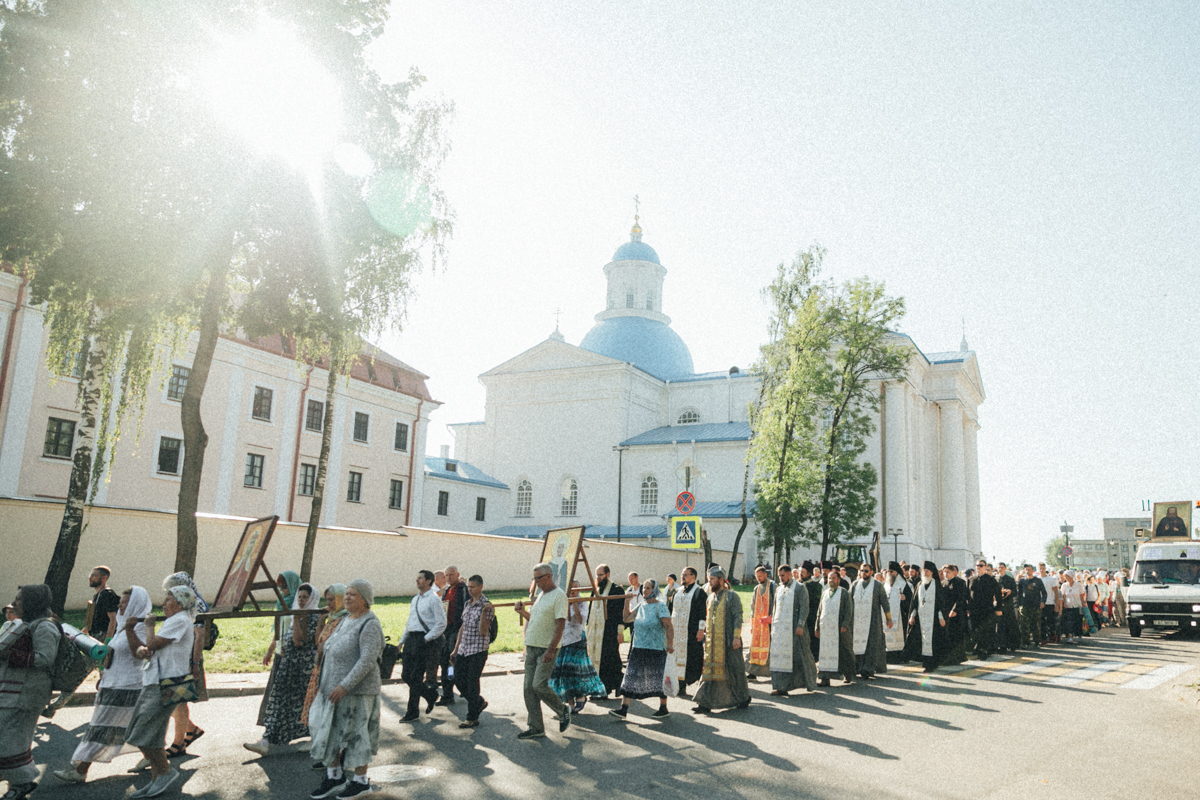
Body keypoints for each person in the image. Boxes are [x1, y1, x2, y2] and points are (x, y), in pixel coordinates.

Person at [54, 587, 151, 784]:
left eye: (125, 603)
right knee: (129, 727)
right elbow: (114, 654)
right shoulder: (123, 626)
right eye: (120, 602)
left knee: (101, 727)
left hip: (127, 686)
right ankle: (153, 756)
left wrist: (131, 630)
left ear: (135, 604)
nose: (120, 606)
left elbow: (138, 653)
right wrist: (105, 674)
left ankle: (80, 770)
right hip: (113, 683)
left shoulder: (140, 626)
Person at [307, 580, 383, 800]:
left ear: (366, 599)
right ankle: (335, 776)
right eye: (347, 594)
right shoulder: (346, 619)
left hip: (358, 691)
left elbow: (367, 660)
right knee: (327, 730)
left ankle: (360, 782)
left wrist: (345, 685)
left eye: (354, 595)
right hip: (331, 688)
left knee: (358, 736)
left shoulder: (370, 623)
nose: (348, 597)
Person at [125, 583, 198, 798]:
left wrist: (149, 625)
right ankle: (158, 779)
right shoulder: (173, 621)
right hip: (154, 681)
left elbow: (153, 643)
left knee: (141, 734)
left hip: (165, 684)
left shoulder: (180, 620)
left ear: (180, 603)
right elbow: (146, 651)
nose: (163, 603)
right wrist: (131, 632)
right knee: (148, 734)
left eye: (168, 599)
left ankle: (165, 772)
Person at [0, 585, 62, 800]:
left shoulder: (45, 627)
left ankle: (22, 782)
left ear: (33, 602)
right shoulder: (25, 625)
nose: (15, 603)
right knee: (7, 739)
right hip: (10, 693)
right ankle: (18, 781)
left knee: (11, 742)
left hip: (26, 695)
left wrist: (9, 655)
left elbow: (45, 658)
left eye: (20, 599)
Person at [246, 583, 320, 756]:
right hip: (289, 667)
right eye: (299, 597)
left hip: (304, 671)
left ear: (312, 599)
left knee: (307, 705)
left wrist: (296, 619)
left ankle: (315, 738)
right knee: (279, 702)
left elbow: (298, 640)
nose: (301, 600)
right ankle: (266, 740)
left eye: (305, 597)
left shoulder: (314, 617)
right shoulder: (297, 614)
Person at [154, 573, 209, 763]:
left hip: (187, 657)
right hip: (179, 656)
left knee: (178, 697)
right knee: (175, 697)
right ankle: (190, 730)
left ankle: (179, 742)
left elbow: (199, 636)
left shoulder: (196, 604)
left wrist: (194, 663)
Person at [512, 563, 570, 739]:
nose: (536, 582)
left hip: (547, 648)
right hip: (532, 647)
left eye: (539, 578)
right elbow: (536, 619)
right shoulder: (541, 596)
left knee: (538, 685)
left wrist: (551, 650)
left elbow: (560, 624)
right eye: (534, 578)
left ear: (549, 576)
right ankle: (536, 727)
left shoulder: (559, 596)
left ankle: (562, 710)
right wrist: (522, 612)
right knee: (528, 689)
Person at [610, 579, 673, 720]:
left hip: (656, 647)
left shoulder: (660, 607)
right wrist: (626, 601)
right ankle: (623, 709)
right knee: (630, 676)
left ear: (655, 590)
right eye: (643, 588)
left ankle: (663, 708)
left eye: (648, 588)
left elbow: (669, 626)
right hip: (638, 647)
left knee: (659, 678)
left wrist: (670, 643)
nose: (644, 591)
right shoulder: (641, 606)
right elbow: (626, 619)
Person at [693, 565, 750, 713]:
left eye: (712, 579)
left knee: (735, 670)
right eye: (709, 579)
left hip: (729, 641)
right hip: (712, 643)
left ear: (721, 579)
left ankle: (743, 697)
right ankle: (704, 702)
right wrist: (703, 631)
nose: (709, 582)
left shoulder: (732, 596)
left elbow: (738, 617)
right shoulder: (710, 597)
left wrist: (736, 638)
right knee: (709, 671)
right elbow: (707, 618)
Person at [549, 581, 606, 714]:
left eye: (576, 587)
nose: (573, 589)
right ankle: (570, 703)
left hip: (576, 639)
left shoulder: (582, 603)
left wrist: (574, 602)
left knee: (574, 671)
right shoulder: (562, 602)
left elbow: (580, 620)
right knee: (563, 672)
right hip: (563, 640)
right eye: (571, 587)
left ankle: (580, 696)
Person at [400, 570, 446, 722]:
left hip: (424, 640)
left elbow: (441, 624)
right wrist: (401, 641)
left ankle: (412, 711)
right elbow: (410, 621)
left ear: (428, 581)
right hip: (411, 639)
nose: (417, 580)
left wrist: (426, 639)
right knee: (406, 675)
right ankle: (430, 694)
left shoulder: (433, 599)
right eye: (417, 578)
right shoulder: (415, 599)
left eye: (420, 578)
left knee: (416, 676)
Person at [451, 575, 495, 728]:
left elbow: (483, 631)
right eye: (469, 587)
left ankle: (472, 717)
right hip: (464, 648)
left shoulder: (487, 606)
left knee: (472, 682)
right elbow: (463, 627)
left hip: (478, 650)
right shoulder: (468, 604)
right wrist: (456, 649)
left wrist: (484, 613)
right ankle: (478, 702)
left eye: (473, 587)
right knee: (457, 679)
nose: (470, 590)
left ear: (480, 587)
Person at [302, 585, 348, 735]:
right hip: (321, 667)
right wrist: (321, 620)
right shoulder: (332, 617)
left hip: (333, 669)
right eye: (327, 600)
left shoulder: (345, 619)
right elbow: (318, 642)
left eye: (332, 600)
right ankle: (318, 738)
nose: (328, 603)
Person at [767, 565, 817, 696]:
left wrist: (800, 625)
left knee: (800, 656)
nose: (781, 578)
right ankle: (780, 686)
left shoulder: (800, 588)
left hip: (794, 628)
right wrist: (772, 625)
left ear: (789, 574)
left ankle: (810, 682)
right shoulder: (778, 589)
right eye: (779, 576)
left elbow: (804, 607)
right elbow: (775, 608)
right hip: (779, 630)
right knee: (779, 658)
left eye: (783, 575)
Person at [587, 564, 625, 698]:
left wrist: (620, 631)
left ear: (608, 575)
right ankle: (601, 687)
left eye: (600, 575)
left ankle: (607, 688)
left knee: (609, 659)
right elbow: (591, 609)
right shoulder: (595, 589)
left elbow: (621, 613)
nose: (598, 578)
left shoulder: (616, 590)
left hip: (609, 631)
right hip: (595, 632)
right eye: (596, 575)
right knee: (597, 659)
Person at [669, 566, 707, 697]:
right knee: (676, 659)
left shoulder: (699, 592)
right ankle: (679, 685)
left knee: (691, 659)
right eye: (682, 574)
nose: (682, 577)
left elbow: (703, 613)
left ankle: (693, 683)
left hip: (690, 633)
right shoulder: (677, 592)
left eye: (686, 575)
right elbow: (670, 611)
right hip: (676, 632)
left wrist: (701, 629)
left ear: (693, 577)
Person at [849, 562, 891, 679]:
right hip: (856, 621)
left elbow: (885, 603)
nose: (864, 573)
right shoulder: (855, 584)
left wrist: (889, 619)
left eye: (866, 571)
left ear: (871, 572)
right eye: (862, 571)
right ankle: (857, 667)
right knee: (856, 644)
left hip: (872, 620)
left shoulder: (877, 585)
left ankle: (868, 669)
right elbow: (848, 602)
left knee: (871, 645)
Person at [815, 570, 855, 686]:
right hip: (826, 628)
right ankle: (825, 678)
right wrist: (817, 626)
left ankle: (847, 674)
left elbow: (848, 610)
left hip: (839, 628)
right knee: (825, 653)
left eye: (833, 578)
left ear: (838, 580)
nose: (831, 580)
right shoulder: (825, 593)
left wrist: (844, 624)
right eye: (829, 578)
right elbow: (820, 610)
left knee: (843, 651)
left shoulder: (844, 593)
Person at [908, 561, 948, 672]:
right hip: (921, 618)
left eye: (927, 571)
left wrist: (941, 617)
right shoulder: (919, 585)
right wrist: (912, 616)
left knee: (934, 641)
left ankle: (932, 664)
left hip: (934, 619)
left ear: (931, 572)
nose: (925, 573)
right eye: (923, 571)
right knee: (923, 640)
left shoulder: (937, 585)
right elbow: (915, 602)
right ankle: (925, 663)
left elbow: (941, 603)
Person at [436, 565, 466, 707]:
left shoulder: (463, 589)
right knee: (445, 662)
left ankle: (464, 690)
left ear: (458, 574)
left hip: (458, 631)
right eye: (447, 575)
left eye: (452, 575)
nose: (449, 578)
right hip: (446, 631)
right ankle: (447, 694)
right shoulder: (447, 590)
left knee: (454, 663)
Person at [966, 561, 1001, 660]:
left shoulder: (991, 580)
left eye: (981, 566)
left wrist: (998, 608)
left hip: (987, 609)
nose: (979, 567)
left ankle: (984, 650)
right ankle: (977, 647)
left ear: (985, 567)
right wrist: (967, 608)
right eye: (977, 565)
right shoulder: (970, 579)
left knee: (986, 630)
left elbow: (998, 595)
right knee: (975, 629)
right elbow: (966, 595)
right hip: (974, 609)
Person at [746, 565, 775, 681]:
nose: (758, 578)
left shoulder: (773, 587)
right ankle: (752, 672)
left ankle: (772, 673)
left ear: (766, 575)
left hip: (770, 623)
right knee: (754, 648)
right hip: (758, 624)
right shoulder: (756, 589)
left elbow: (777, 604)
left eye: (761, 576)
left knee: (770, 648)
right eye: (757, 576)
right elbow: (753, 607)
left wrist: (772, 618)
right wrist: (752, 623)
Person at [883, 562, 912, 664]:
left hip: (900, 617)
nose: (889, 573)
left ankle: (900, 656)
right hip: (887, 617)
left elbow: (911, 601)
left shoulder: (904, 585)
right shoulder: (885, 585)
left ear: (897, 572)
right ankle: (888, 656)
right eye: (888, 572)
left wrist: (905, 599)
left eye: (891, 571)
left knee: (899, 637)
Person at [941, 565, 969, 664]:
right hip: (945, 612)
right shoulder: (942, 583)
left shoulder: (960, 583)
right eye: (944, 572)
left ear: (954, 572)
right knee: (947, 635)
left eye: (948, 572)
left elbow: (961, 598)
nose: (946, 574)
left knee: (956, 635)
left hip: (956, 613)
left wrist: (955, 609)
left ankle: (958, 657)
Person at [87, 566, 120, 641]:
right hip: (95, 635)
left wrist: (107, 641)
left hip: (103, 635)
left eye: (94, 575)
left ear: (104, 578)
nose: (90, 578)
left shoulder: (107, 594)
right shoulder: (98, 595)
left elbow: (113, 619)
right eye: (90, 575)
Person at [1016, 566, 1047, 649]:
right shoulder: (1022, 581)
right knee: (1024, 625)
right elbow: (1019, 594)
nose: (1028, 571)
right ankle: (1025, 642)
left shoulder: (1038, 580)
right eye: (1026, 570)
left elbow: (1044, 593)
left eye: (1029, 570)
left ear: (1033, 570)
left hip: (1036, 606)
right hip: (1024, 605)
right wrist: (1018, 605)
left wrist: (1042, 602)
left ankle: (1037, 641)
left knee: (1036, 624)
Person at [800, 561, 823, 662]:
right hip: (799, 618)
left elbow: (818, 604)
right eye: (800, 572)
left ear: (809, 573)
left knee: (812, 642)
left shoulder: (816, 586)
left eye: (803, 572)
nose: (800, 574)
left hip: (811, 618)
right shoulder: (797, 585)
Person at [995, 563, 1021, 652]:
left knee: (1010, 625)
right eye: (999, 567)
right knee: (1000, 626)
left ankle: (1012, 644)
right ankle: (1001, 645)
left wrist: (1010, 591)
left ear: (1005, 568)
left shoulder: (1010, 579)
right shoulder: (995, 579)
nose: (1000, 569)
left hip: (1008, 604)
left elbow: (1015, 592)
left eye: (1002, 567)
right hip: (998, 605)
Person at [1059, 571, 1086, 644]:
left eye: (1067, 576)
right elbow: (1063, 596)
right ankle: (1070, 637)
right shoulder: (1064, 585)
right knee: (1069, 622)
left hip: (1077, 605)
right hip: (1068, 606)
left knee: (1078, 621)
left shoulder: (1078, 585)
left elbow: (1082, 595)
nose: (1066, 578)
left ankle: (1079, 636)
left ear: (1071, 576)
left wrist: (1084, 604)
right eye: (1065, 577)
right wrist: (1064, 603)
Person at [1037, 563, 1060, 645]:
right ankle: (1043, 638)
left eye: (1043, 568)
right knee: (1041, 621)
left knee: (1051, 621)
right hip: (1040, 604)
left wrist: (1057, 605)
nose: (1041, 570)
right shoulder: (1037, 579)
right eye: (1040, 568)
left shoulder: (1051, 579)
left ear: (1045, 568)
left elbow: (1056, 593)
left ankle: (1053, 636)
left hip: (1050, 603)